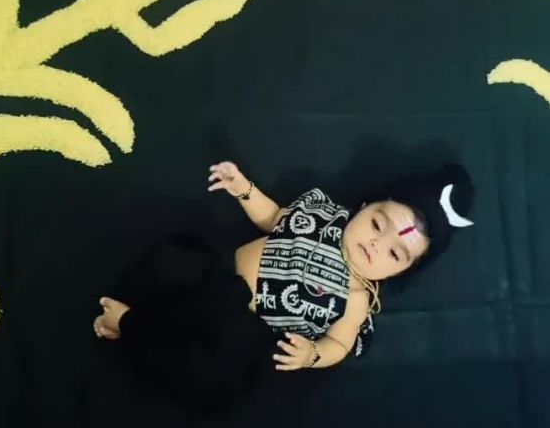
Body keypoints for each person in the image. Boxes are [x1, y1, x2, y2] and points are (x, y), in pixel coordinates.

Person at [93, 159, 474, 409]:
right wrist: (244, 189)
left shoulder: (357, 298)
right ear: (364, 206)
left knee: (214, 378)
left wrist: (312, 354)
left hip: (241, 322)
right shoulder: (321, 214)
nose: (376, 244)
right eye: (377, 224)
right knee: (173, 261)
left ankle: (130, 324)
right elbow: (274, 218)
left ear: (400, 272)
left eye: (394, 253)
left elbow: (340, 343)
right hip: (218, 269)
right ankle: (139, 316)